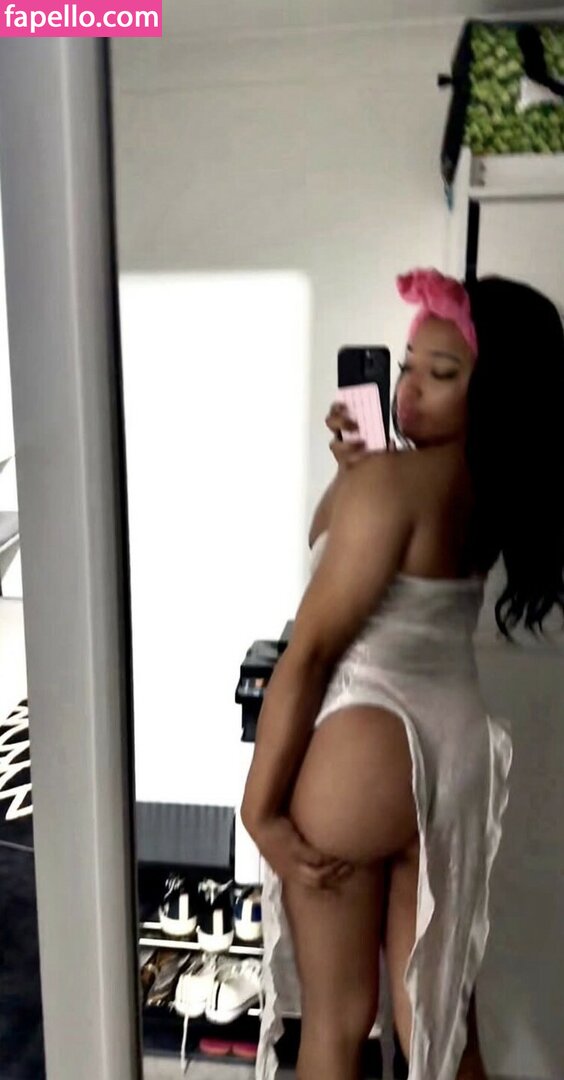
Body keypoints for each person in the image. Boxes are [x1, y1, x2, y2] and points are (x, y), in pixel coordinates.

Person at [241, 268, 564, 1080]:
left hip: (362, 746)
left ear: (494, 393)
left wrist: (262, 810)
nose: (409, 389)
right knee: (440, 1024)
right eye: (409, 364)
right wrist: (354, 469)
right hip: (456, 750)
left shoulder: (390, 485)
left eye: (441, 373)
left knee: (336, 1024)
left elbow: (312, 652)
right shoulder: (491, 490)